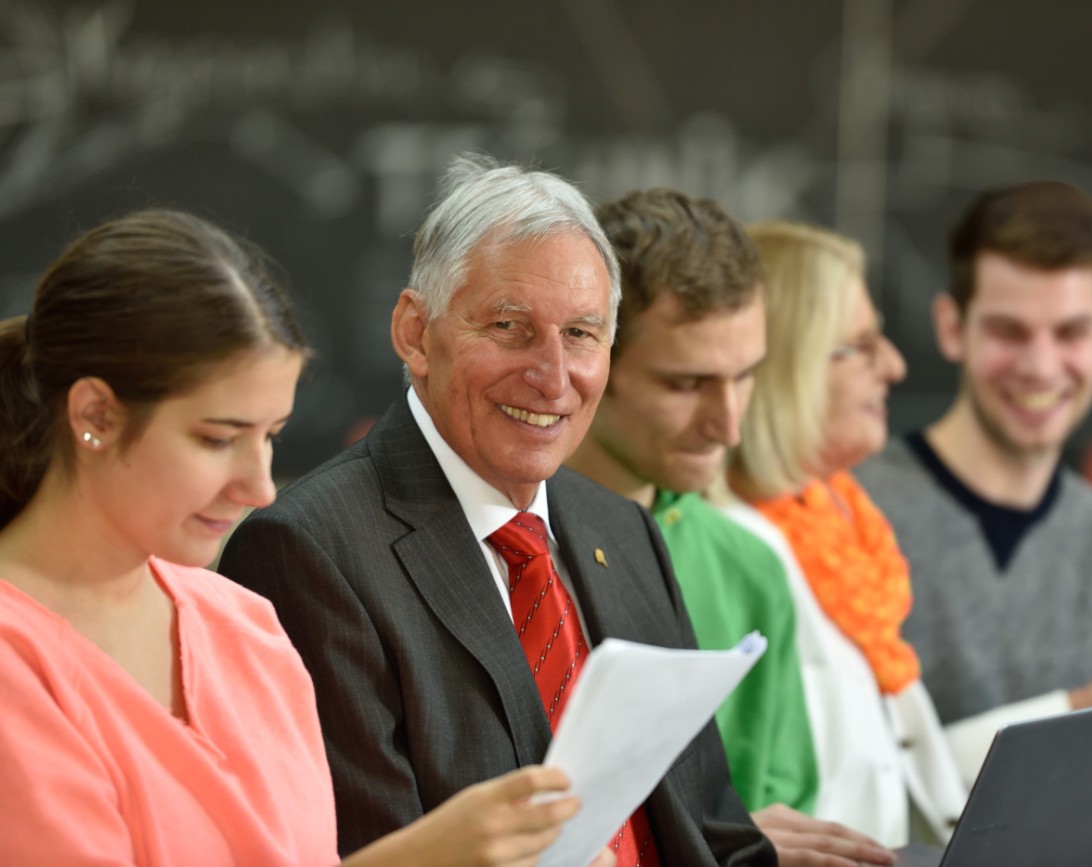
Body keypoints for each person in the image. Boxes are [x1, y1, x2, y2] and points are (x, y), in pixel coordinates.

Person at [0, 209, 608, 866]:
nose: (258, 486)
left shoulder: (242, 623)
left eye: (269, 436)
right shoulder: (17, 663)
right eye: (217, 438)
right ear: (95, 415)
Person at [219, 156, 775, 865]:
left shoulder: (623, 530)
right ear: (416, 334)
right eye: (510, 326)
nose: (551, 377)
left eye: (580, 334)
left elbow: (715, 834)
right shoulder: (308, 551)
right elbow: (370, 846)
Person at [567, 188, 896, 867]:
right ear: (592, 360)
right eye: (686, 384)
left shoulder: (749, 566)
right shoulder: (506, 552)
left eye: (746, 377)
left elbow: (790, 816)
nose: (729, 425)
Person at [853, 182, 1092, 761]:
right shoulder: (850, 514)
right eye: (1008, 332)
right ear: (951, 326)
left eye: (1070, 332)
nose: (1040, 367)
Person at [725, 221, 968, 846]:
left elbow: (896, 769)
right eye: (859, 345)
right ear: (784, 366)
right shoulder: (734, 548)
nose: (894, 363)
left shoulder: (848, 524)